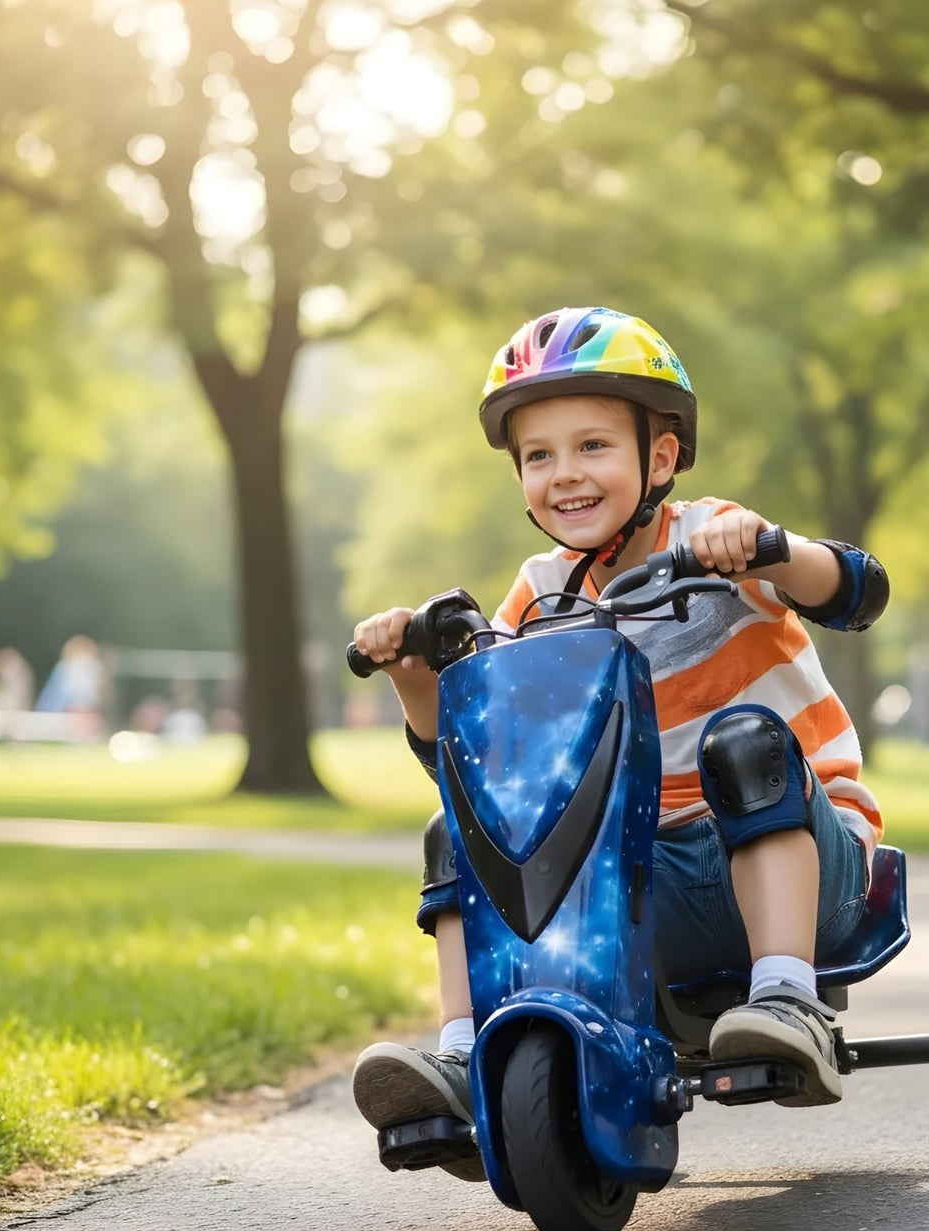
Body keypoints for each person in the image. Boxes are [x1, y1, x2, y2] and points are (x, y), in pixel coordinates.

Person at [349, 308, 888, 1175]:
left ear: (661, 457)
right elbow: (482, 771)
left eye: (593, 445)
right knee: (458, 833)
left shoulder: (712, 539)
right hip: (632, 884)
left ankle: (788, 1002)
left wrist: (771, 551)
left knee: (741, 744)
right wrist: (414, 669)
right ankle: (461, 1054)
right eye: (539, 455)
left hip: (798, 865)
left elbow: (856, 589)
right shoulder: (533, 598)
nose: (564, 474)